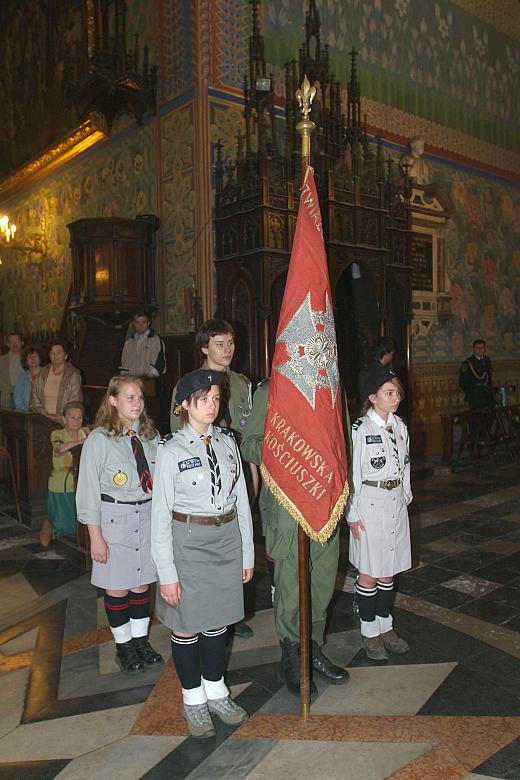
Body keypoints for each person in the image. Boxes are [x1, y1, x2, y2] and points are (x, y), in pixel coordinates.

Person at [151, 369, 254, 737]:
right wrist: (167, 573)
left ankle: (216, 691)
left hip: (226, 538)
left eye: (215, 399)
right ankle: (193, 699)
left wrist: (247, 555)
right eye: (203, 400)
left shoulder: (228, 443)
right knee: (187, 625)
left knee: (218, 623)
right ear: (184, 405)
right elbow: (160, 515)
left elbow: (242, 501)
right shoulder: (170, 450)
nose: (211, 406)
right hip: (188, 542)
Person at [240, 378, 348, 695]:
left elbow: (342, 444)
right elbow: (249, 443)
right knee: (290, 581)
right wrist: (288, 452)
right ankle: (291, 654)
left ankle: (311, 649)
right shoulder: (269, 391)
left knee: (324, 579)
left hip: (323, 502)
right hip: (285, 506)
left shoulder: (330, 387)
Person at [170, 318, 255, 639]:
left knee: (234, 538)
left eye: (231, 343)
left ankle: (229, 611)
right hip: (199, 473)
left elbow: (249, 426)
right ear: (204, 347)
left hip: (237, 464)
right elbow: (179, 433)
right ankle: (206, 614)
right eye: (220, 344)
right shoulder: (190, 385)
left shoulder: (242, 382)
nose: (228, 349)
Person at [76, 375, 163, 675]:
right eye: (129, 397)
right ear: (112, 400)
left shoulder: (151, 436)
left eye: (140, 397)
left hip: (148, 517)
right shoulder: (98, 440)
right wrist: (95, 538)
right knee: (117, 587)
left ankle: (140, 641)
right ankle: (123, 645)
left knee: (141, 584)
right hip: (114, 520)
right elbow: (87, 491)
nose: (137, 402)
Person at [347, 363, 412, 661]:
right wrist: (352, 514)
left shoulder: (400, 426)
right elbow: (353, 475)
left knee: (390, 570)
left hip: (395, 503)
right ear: (373, 397)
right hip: (369, 506)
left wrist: (405, 495)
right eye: (389, 393)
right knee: (370, 572)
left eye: (397, 392)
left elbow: (406, 464)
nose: (396, 397)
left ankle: (387, 626)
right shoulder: (361, 429)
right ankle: (370, 630)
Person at [39, 402, 89, 552]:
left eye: (79, 418)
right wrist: (84, 441)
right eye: (72, 417)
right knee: (64, 528)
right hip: (61, 481)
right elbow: (60, 449)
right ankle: (49, 524)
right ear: (64, 419)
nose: (76, 421)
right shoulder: (57, 434)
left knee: (78, 525)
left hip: (81, 482)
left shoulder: (86, 432)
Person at [31, 338, 83, 423]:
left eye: (58, 353)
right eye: (52, 353)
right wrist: (45, 415)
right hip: (43, 420)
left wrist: (59, 418)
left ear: (65, 356)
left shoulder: (73, 375)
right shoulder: (43, 373)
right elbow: (35, 398)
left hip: (64, 422)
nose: (55, 356)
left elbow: (75, 402)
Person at [120, 311, 166, 393]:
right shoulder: (129, 342)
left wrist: (144, 378)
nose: (140, 326)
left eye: (143, 322)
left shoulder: (155, 340)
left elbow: (158, 366)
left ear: (148, 323)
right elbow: (124, 365)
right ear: (133, 324)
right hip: (131, 384)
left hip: (149, 384)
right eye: (137, 322)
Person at [458, 339, 494, 410]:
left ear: (485, 349)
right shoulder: (468, 362)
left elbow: (488, 377)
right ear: (473, 349)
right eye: (478, 348)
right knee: (477, 418)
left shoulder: (487, 360)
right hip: (475, 396)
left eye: (482, 348)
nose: (480, 350)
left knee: (489, 417)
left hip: (487, 394)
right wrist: (471, 392)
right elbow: (462, 382)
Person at [13, 343, 47, 411]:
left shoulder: (47, 374)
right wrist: (26, 411)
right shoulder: (22, 377)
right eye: (30, 357)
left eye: (35, 356)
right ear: (26, 361)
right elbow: (17, 398)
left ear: (40, 359)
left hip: (45, 413)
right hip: (25, 413)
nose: (33, 359)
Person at [0, 332, 24, 408]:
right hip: (9, 397)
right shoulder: (2, 360)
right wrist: (16, 390)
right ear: (8, 344)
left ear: (22, 343)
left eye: (17, 341)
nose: (15, 344)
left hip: (25, 396)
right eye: (12, 342)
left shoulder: (29, 359)